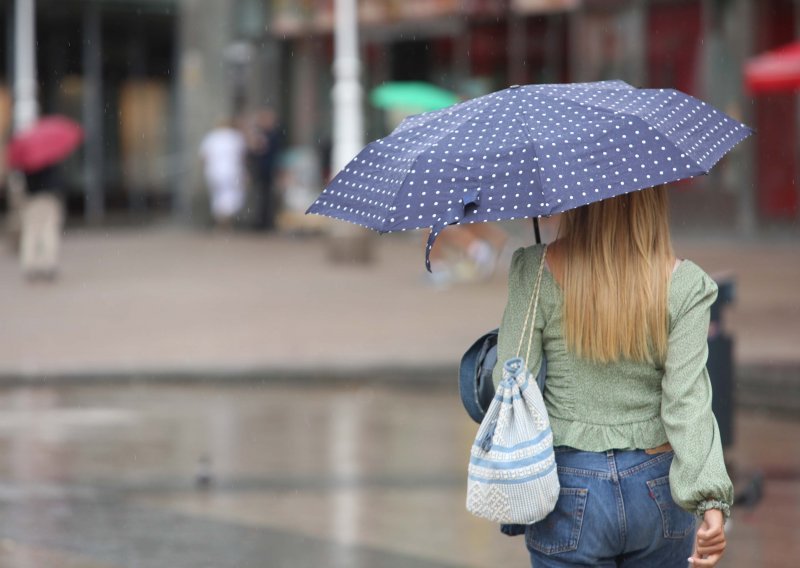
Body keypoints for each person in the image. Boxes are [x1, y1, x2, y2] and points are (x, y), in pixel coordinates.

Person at [492, 186, 731, 567]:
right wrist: (711, 502)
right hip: (658, 489)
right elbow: (687, 403)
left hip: (568, 489)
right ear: (653, 199)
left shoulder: (536, 270)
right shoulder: (684, 284)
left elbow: (511, 381)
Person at [199, 118, 247, 229]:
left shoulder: (211, 137)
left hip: (213, 171)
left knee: (217, 196)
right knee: (231, 195)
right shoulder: (235, 137)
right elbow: (242, 156)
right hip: (232, 170)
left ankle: (221, 220)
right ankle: (226, 220)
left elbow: (204, 157)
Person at [19, 165, 65, 280]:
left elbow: (23, 185)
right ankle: (49, 263)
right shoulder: (49, 163)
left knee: (31, 233)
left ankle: (29, 264)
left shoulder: (27, 163)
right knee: (48, 231)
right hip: (48, 198)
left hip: (32, 199)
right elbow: (58, 182)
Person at [246, 107, 283, 231]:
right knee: (261, 196)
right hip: (262, 170)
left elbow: (261, 149)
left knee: (265, 197)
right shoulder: (266, 134)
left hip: (267, 169)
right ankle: (261, 220)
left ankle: (265, 221)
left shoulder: (272, 135)